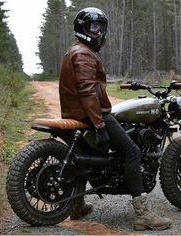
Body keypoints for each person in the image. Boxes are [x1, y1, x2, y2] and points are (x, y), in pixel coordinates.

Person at [59, 7, 172, 231]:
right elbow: (87, 91)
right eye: (93, 27)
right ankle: (143, 215)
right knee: (132, 152)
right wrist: (100, 125)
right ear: (82, 29)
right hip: (92, 115)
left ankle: (77, 205)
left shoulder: (76, 51)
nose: (99, 32)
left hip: (78, 114)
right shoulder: (83, 54)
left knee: (84, 156)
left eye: (101, 27)